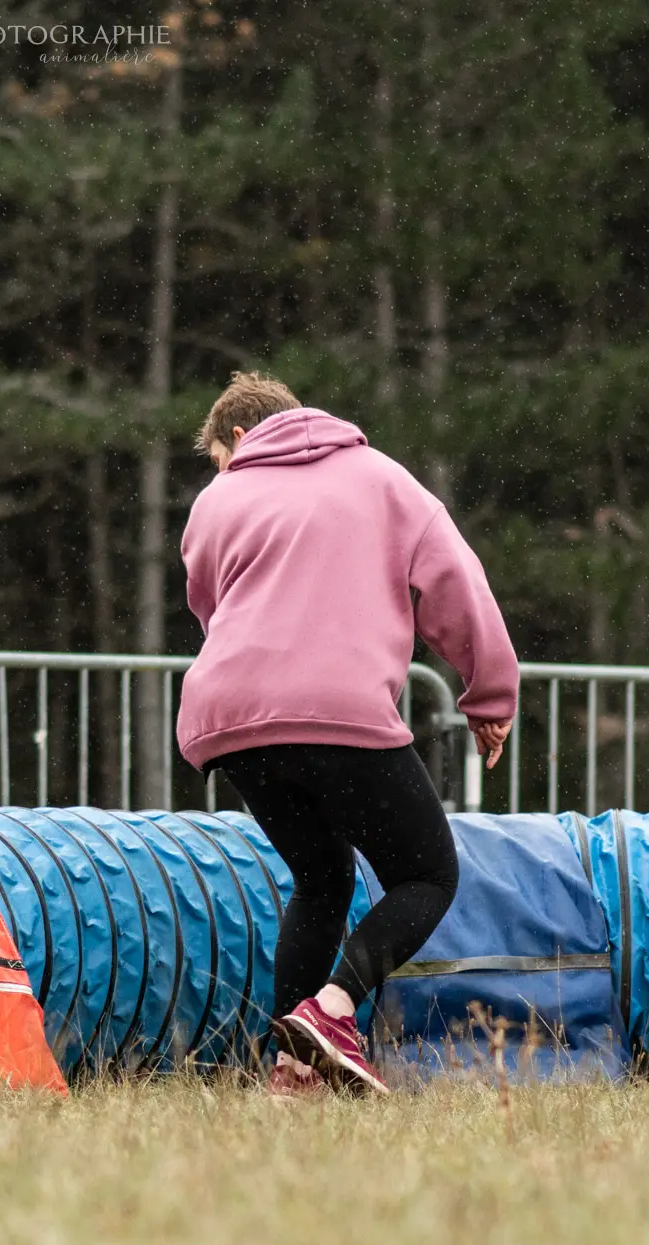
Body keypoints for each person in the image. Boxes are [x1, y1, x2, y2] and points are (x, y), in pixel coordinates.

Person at [177, 372, 517, 1096]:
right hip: (337, 706)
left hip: (230, 717)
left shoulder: (218, 499)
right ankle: (333, 1010)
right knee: (428, 873)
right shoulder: (382, 479)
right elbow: (457, 578)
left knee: (322, 879)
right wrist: (488, 690)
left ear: (239, 438)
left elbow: (213, 607)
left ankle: (290, 1068)